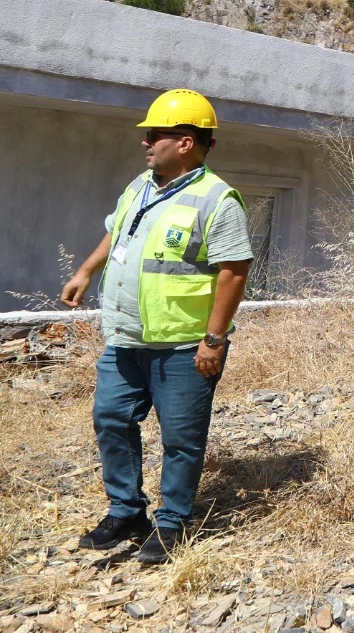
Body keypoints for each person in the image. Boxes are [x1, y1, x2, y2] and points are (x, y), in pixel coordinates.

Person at [60, 89, 252, 564]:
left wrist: (214, 339)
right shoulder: (140, 185)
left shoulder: (217, 200)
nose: (145, 142)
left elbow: (234, 270)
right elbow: (117, 230)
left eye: (155, 135)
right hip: (126, 338)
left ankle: (173, 522)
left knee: (181, 440)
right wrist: (87, 270)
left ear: (185, 142)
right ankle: (127, 512)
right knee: (111, 418)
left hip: (184, 347)